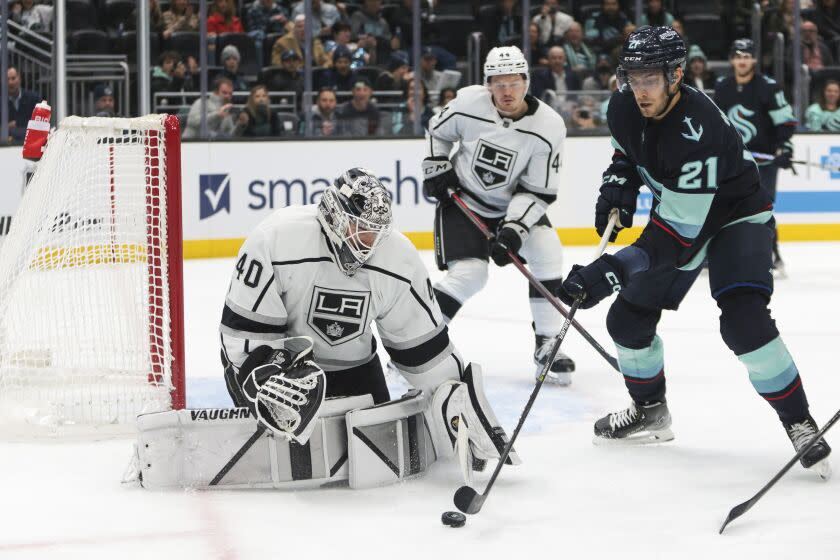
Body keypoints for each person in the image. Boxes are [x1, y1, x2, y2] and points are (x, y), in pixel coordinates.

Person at [556, 26, 831, 478]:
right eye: (632, 77)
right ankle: (650, 412)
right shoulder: (623, 104)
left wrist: (610, 269)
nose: (639, 89)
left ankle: (799, 421)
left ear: (676, 75)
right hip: (681, 216)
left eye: (650, 79)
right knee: (627, 321)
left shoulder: (696, 127)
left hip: (734, 217)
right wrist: (618, 187)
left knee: (744, 322)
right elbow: (626, 156)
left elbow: (674, 238)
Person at [219, 167, 517, 469]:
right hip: (280, 367)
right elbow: (244, 335)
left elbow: (425, 353)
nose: (369, 241)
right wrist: (264, 384)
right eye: (360, 228)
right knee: (284, 447)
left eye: (376, 231)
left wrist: (458, 405)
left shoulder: (398, 259)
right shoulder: (276, 239)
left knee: (378, 458)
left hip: (354, 367)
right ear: (335, 214)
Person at [423, 46, 575, 385]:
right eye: (498, 83)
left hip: (511, 207)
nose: (507, 91)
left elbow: (538, 190)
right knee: (470, 275)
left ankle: (547, 343)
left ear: (526, 82)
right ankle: (418, 343)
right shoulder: (467, 103)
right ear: (488, 84)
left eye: (514, 82)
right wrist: (436, 166)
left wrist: (513, 231)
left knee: (547, 249)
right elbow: (438, 132)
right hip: (464, 202)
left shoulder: (549, 126)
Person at [714, 38, 797, 277]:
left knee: (761, 209)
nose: (742, 61)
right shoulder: (723, 86)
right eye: (738, 56)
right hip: (735, 162)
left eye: (747, 56)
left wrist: (785, 149)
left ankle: (772, 256)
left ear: (754, 60)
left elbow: (786, 122)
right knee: (727, 207)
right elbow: (717, 124)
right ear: (732, 59)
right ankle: (723, 255)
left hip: (764, 162)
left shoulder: (768, 87)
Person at [6, 66, 42, 142]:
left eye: (13, 78)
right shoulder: (2, 102)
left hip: (31, 144)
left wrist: (17, 123)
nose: (10, 82)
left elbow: (40, 124)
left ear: (19, 79)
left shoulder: (33, 98)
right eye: (7, 79)